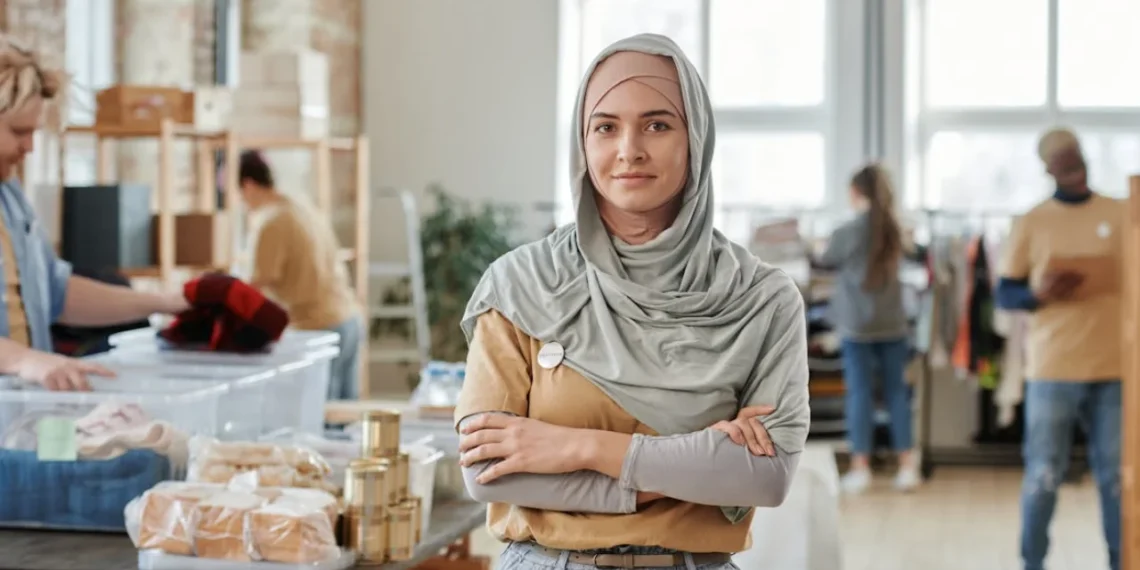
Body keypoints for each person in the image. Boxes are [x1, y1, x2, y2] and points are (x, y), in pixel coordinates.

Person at [452, 34, 809, 569]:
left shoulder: (761, 300)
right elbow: (487, 472)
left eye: (657, 125)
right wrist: (684, 473)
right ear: (582, 143)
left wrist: (577, 448)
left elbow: (766, 475)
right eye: (605, 127)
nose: (629, 150)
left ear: (696, 138)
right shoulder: (520, 285)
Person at [0, 36, 188, 392]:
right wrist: (23, 360)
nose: (29, 147)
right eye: (18, 132)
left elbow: (56, 294)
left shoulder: (10, 198)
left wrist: (167, 303)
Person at [996, 127, 1121, 570]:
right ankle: (1032, 563)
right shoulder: (1033, 221)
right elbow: (1005, 293)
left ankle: (1121, 561)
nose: (1072, 168)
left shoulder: (1121, 213)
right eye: (1063, 162)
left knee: (1116, 480)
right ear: (1048, 169)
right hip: (1053, 368)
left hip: (1115, 369)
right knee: (1043, 477)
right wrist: (1039, 294)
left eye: (1076, 159)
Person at [809, 163, 919, 494]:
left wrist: (815, 245)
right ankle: (907, 466)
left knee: (860, 394)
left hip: (857, 326)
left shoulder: (848, 230)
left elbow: (825, 258)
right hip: (893, 323)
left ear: (856, 192)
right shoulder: (897, 228)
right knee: (896, 393)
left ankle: (861, 468)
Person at [237, 150, 364, 401]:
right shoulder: (303, 207)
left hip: (319, 327)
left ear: (248, 185)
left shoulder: (272, 223)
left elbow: (254, 286)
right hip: (348, 318)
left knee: (322, 414)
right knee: (347, 415)